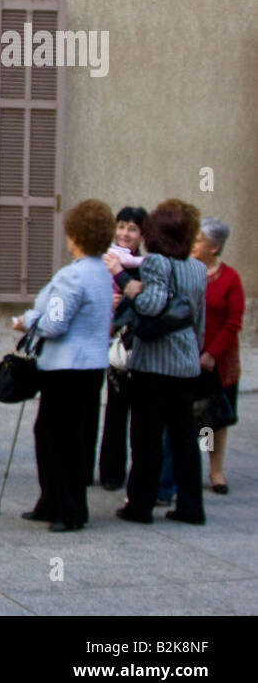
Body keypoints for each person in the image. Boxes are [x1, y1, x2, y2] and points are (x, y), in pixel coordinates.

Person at [12, 200, 115, 532]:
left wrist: (25, 320)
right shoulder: (101, 272)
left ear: (75, 236)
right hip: (91, 366)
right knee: (74, 437)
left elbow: (54, 324)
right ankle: (55, 501)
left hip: (65, 368)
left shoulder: (73, 275)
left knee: (56, 438)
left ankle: (66, 508)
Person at [115, 199, 207, 526]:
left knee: (146, 438)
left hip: (153, 365)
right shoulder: (197, 268)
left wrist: (124, 281)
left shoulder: (155, 263)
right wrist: (195, 351)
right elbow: (198, 317)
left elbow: (152, 305)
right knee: (184, 440)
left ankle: (140, 506)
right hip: (184, 365)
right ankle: (191, 507)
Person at [192, 217, 244, 495]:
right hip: (188, 357)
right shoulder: (188, 272)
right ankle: (187, 467)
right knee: (189, 415)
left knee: (214, 419)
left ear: (214, 246)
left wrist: (212, 352)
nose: (193, 244)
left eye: (198, 240)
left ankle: (215, 469)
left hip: (218, 360)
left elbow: (233, 322)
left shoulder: (230, 278)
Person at [98, 205, 146, 490]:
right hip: (105, 339)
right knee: (113, 410)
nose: (125, 233)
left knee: (133, 409)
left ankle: (129, 471)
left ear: (142, 235)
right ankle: (110, 472)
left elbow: (145, 298)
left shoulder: (145, 265)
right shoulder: (106, 258)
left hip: (132, 344)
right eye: (122, 226)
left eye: (132, 228)